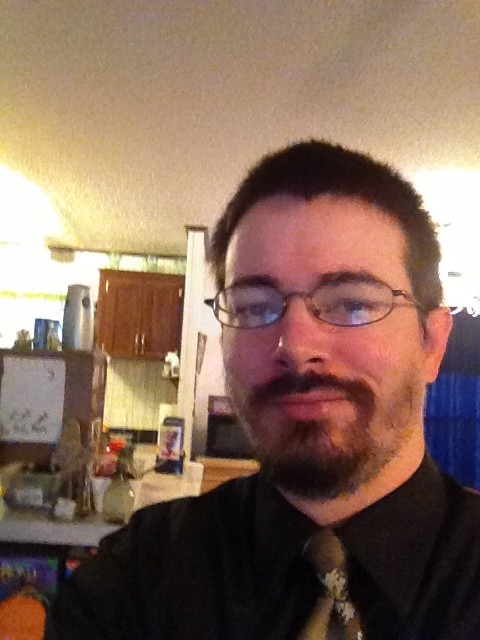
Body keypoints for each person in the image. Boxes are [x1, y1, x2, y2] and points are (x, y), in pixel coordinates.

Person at [45, 141, 480, 640]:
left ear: (432, 343)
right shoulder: (130, 582)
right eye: (254, 307)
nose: (294, 346)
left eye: (353, 303)